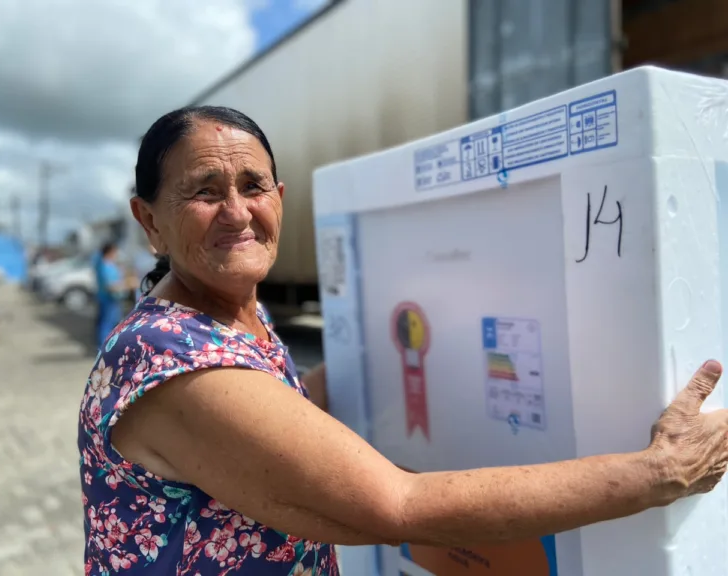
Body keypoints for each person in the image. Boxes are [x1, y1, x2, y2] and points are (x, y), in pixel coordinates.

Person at [78, 105, 728, 575]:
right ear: (149, 221)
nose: (238, 212)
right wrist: (658, 473)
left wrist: (414, 336)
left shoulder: (228, 314)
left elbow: (271, 413)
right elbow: (399, 504)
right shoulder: (166, 355)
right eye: (204, 191)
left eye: (252, 187)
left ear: (279, 197)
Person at [93, 241, 125, 350]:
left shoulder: (109, 264)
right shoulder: (104, 266)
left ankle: (109, 345)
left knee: (113, 323)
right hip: (108, 299)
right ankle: (103, 347)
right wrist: (125, 285)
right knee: (106, 323)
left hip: (113, 299)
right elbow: (109, 285)